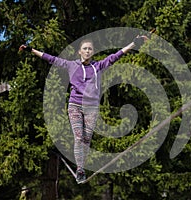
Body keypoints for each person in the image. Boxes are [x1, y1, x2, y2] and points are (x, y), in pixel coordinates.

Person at [19, 35, 147, 183]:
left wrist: (133, 43)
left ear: (92, 52)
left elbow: (115, 56)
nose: (87, 51)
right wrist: (31, 50)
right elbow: (51, 59)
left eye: (90, 49)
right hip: (75, 106)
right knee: (79, 137)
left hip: (92, 108)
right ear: (80, 51)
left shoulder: (98, 66)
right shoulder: (71, 65)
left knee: (86, 139)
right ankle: (80, 169)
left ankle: (81, 165)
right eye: (85, 49)